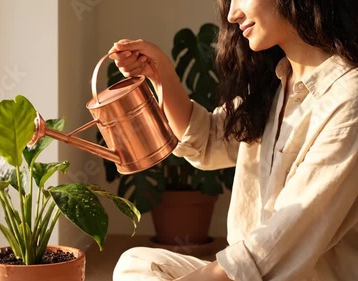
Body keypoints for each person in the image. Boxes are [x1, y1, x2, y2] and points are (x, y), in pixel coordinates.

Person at [108, 0, 358, 280]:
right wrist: (159, 72)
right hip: (245, 273)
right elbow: (210, 140)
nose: (232, 14)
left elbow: (285, 237)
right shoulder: (277, 84)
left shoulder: (348, 99)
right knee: (138, 264)